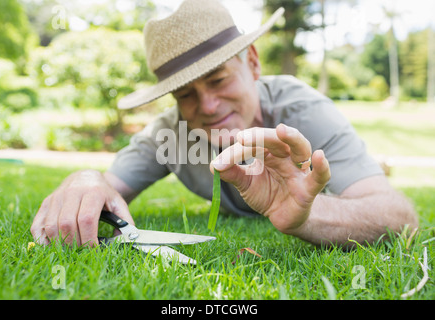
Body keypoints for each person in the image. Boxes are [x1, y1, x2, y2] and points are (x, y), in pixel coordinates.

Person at [30, 0, 418, 248]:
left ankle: (372, 163)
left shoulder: (302, 111)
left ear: (252, 62)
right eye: (185, 94)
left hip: (325, 169)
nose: (208, 106)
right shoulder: (170, 132)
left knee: (361, 174)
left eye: (217, 80)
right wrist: (84, 178)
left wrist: (308, 214)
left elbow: (399, 217)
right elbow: (104, 187)